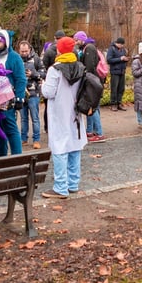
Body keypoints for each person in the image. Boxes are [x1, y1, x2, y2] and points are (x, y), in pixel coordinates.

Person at [40, 36, 88, 199]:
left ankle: (61, 186)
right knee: (74, 146)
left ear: (59, 50)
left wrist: (42, 85)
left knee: (60, 148)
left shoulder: (55, 69)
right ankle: (73, 183)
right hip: (76, 113)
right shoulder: (80, 67)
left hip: (59, 113)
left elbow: (48, 93)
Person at [0, 29, 26, 156]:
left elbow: (21, 78)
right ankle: (2, 156)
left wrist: (20, 98)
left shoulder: (14, 57)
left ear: (6, 42)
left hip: (8, 98)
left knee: (10, 128)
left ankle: (17, 156)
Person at [74, 31, 105, 143]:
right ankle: (90, 130)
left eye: (77, 39)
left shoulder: (89, 48)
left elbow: (90, 66)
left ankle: (99, 132)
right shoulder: (87, 48)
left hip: (92, 82)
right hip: (92, 81)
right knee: (91, 107)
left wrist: (85, 77)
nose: (76, 42)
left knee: (93, 107)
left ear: (82, 39)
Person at [106, 37, 129, 111]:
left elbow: (123, 58)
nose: (122, 46)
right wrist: (120, 59)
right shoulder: (111, 49)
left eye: (123, 45)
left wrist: (125, 59)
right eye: (121, 44)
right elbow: (109, 60)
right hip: (115, 72)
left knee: (121, 88)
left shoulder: (123, 50)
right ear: (117, 43)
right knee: (114, 88)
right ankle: (113, 104)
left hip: (122, 71)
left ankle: (119, 103)